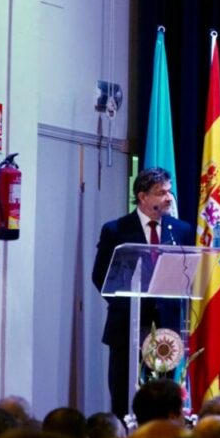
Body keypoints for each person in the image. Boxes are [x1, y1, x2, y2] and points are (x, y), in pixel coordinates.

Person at [91, 168, 195, 419]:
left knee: (164, 400)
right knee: (123, 396)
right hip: (127, 327)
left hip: (167, 329)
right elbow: (101, 277)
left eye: (169, 192)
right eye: (161, 193)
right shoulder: (116, 230)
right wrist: (130, 305)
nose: (168, 198)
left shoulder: (181, 230)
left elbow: (186, 276)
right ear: (142, 196)